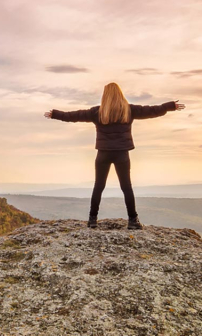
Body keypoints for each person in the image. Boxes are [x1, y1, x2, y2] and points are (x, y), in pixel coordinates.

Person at [44, 82, 185, 230]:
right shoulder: (129, 110)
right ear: (120, 94)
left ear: (104, 96)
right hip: (122, 154)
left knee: (99, 186)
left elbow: (74, 116)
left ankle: (92, 220)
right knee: (126, 187)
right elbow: (151, 110)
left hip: (103, 154)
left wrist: (55, 114)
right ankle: (133, 221)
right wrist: (169, 106)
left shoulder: (97, 112)